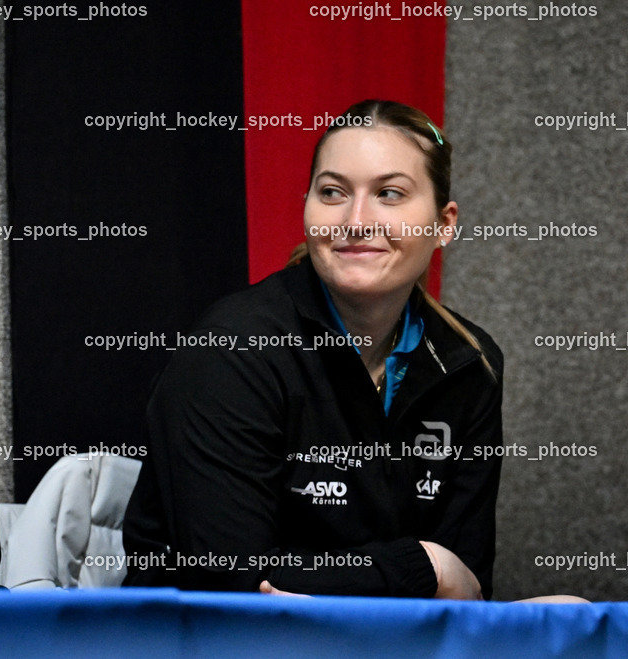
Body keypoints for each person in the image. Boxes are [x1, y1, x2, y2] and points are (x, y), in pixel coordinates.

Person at [122, 100, 502, 599]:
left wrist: (431, 579)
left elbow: (468, 591)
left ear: (444, 223)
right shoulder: (234, 348)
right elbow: (231, 586)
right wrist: (423, 566)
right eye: (332, 192)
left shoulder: (469, 363)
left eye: (389, 193)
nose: (356, 219)